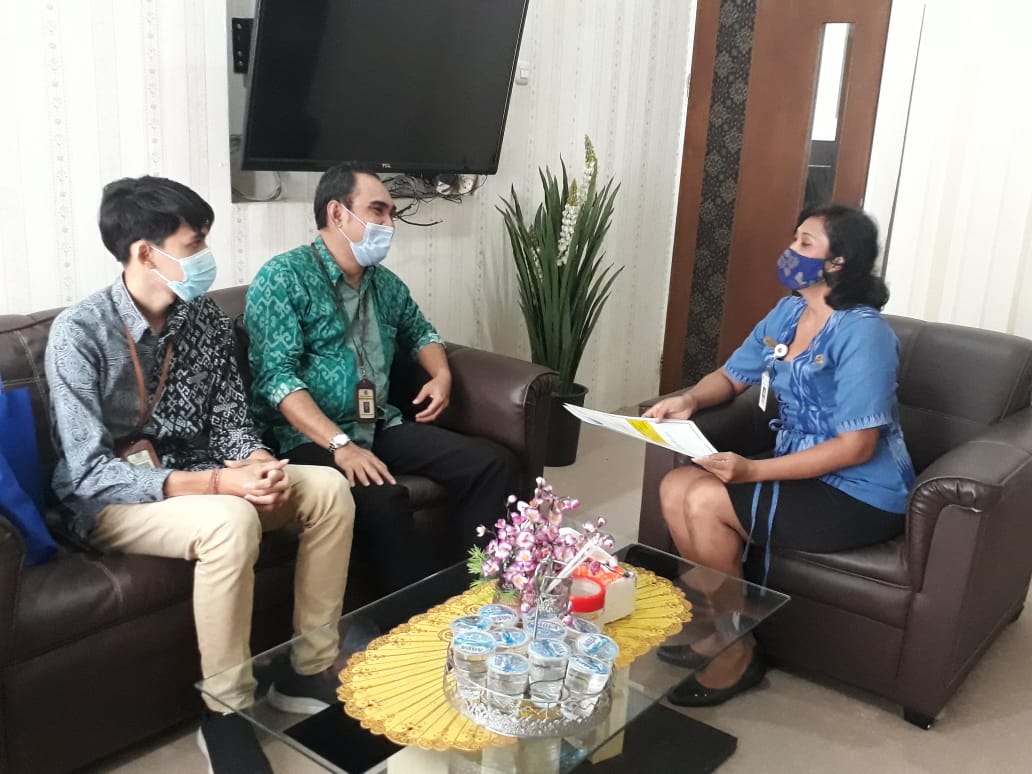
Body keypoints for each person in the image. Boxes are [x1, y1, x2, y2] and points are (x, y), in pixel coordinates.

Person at [45, 176, 356, 774]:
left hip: (207, 478)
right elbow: (88, 472)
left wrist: (257, 463)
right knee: (230, 521)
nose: (206, 256)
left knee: (327, 489)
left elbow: (230, 420)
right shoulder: (79, 333)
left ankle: (308, 667)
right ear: (145, 252)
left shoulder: (203, 318)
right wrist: (218, 485)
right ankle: (227, 714)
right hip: (113, 502)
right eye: (194, 244)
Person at [643, 204, 915, 707]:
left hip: (859, 491)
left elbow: (857, 446)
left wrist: (753, 470)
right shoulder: (788, 313)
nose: (791, 250)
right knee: (674, 485)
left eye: (805, 243)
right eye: (794, 239)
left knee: (702, 500)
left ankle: (737, 652)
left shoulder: (864, 333)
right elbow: (732, 376)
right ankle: (725, 629)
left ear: (838, 262)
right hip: (798, 467)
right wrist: (690, 399)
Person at [244, 164, 517, 593]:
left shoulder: (385, 285)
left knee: (490, 463)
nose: (390, 224)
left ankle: (482, 592)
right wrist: (341, 445)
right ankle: (411, 619)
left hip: (377, 423)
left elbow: (422, 333)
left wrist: (441, 374)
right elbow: (277, 380)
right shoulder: (283, 277)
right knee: (383, 501)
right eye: (378, 210)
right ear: (337, 213)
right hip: (307, 440)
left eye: (392, 213)